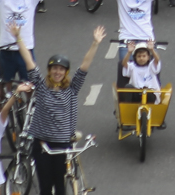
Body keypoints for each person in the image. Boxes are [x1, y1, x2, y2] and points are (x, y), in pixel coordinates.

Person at [11, 22, 105, 195]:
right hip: (42, 144)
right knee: (46, 188)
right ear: (49, 70)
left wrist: (95, 43)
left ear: (66, 72)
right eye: (54, 68)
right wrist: (18, 38)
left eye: (61, 69)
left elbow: (84, 66)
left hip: (62, 144)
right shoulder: (41, 86)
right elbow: (29, 62)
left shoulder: (72, 89)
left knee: (60, 187)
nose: (57, 72)